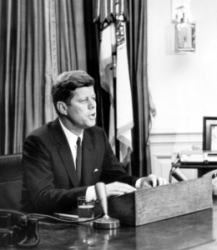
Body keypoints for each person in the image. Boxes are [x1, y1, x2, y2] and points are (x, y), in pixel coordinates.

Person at [21, 70, 167, 214]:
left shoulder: (97, 135)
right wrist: (96, 192)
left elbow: (117, 177)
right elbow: (43, 197)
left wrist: (141, 183)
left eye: (93, 98)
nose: (93, 106)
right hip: (48, 226)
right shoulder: (39, 141)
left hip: (86, 220)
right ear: (63, 108)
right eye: (84, 101)